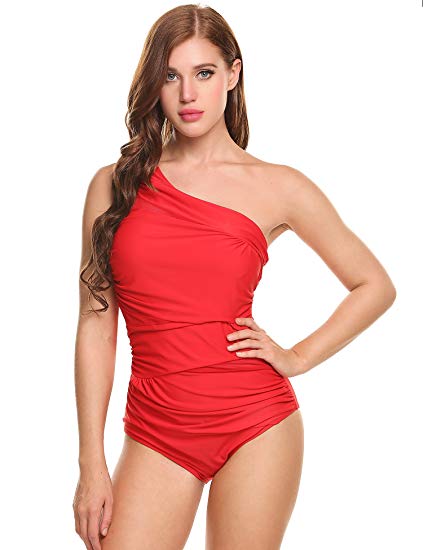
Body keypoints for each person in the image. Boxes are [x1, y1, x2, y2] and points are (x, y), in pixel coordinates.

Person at [73, 4, 396, 549]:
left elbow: (374, 285)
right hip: (156, 426)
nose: (187, 94)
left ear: (232, 74)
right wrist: (91, 464)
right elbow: (94, 324)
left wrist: (296, 357)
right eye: (171, 76)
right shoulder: (114, 185)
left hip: (257, 423)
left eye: (203, 73)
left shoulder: (278, 186)